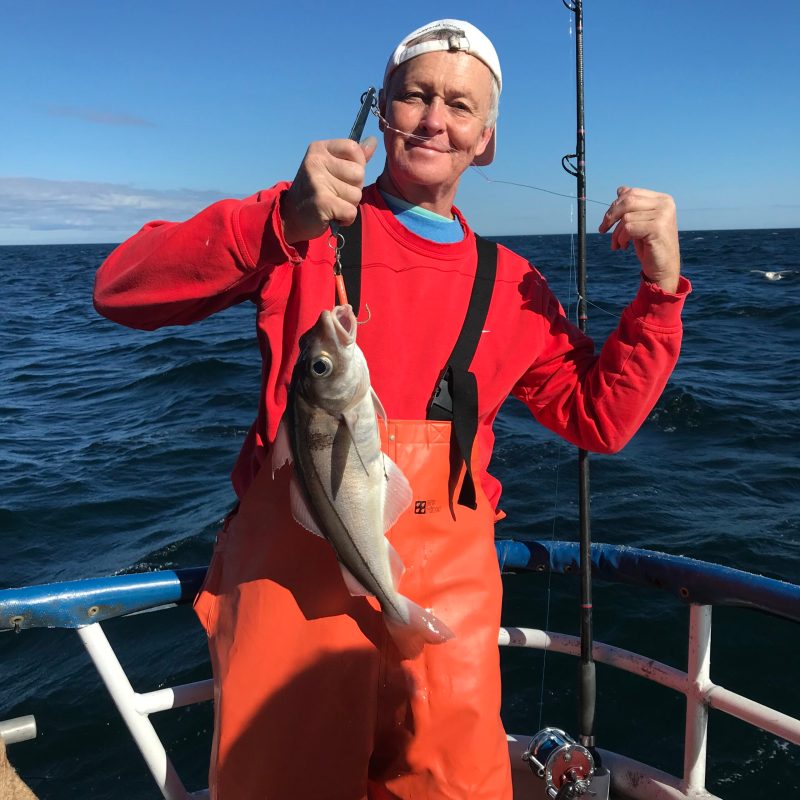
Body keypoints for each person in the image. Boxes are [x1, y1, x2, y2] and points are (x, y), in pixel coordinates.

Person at [94, 19, 690, 800]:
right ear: (383, 115)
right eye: (415, 96)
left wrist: (660, 292)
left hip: (446, 623)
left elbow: (599, 418)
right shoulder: (300, 228)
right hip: (291, 611)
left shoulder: (514, 286)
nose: (434, 118)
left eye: (459, 104)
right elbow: (119, 289)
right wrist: (276, 220)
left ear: (486, 140)